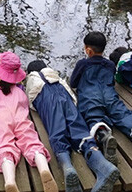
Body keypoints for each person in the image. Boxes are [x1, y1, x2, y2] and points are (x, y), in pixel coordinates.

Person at [70, 32, 132, 164]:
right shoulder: (110, 65)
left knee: (93, 116)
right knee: (124, 116)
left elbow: (73, 83)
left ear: (88, 50)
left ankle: (104, 136)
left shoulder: (82, 64)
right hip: (110, 96)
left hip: (90, 96)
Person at [26, 60, 119, 192]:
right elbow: (71, 93)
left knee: (57, 134)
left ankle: (68, 167)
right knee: (80, 131)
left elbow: (30, 103)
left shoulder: (32, 80)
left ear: (30, 73)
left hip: (48, 101)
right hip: (65, 97)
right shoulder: (55, 75)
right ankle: (104, 166)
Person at [0, 51, 58, 192]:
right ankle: (43, 168)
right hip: (19, 116)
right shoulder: (20, 87)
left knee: (3, 144)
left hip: (0, 118)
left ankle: (10, 180)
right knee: (30, 140)